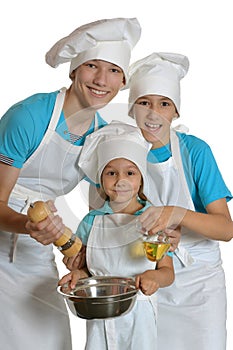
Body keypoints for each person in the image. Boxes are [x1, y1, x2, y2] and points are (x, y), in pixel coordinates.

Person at [0, 18, 141, 350]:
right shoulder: (30, 116)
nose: (101, 80)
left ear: (122, 82)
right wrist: (27, 225)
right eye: (92, 66)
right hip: (10, 235)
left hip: (36, 251)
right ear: (74, 70)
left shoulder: (101, 138)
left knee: (53, 341)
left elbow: (103, 214)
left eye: (113, 71)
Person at [126, 52, 233, 350]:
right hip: (148, 279)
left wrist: (176, 214)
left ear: (175, 112)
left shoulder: (195, 152)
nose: (153, 113)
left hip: (199, 285)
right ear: (132, 108)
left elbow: (226, 229)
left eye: (164, 104)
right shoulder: (121, 153)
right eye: (144, 102)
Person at [59, 122, 175, 350]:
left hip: (140, 315)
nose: (120, 180)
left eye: (130, 173)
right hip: (100, 314)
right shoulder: (91, 221)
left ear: (140, 178)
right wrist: (76, 275)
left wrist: (155, 279)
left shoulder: (153, 219)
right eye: (111, 172)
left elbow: (168, 271)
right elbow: (85, 269)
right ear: (101, 179)